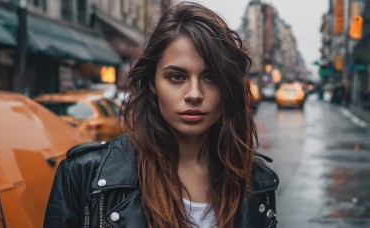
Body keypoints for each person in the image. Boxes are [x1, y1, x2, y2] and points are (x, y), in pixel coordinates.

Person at [44, 2, 279, 227]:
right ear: (153, 83)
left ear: (228, 86)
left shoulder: (257, 181)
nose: (194, 94)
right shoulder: (83, 174)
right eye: (177, 77)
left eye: (211, 77)